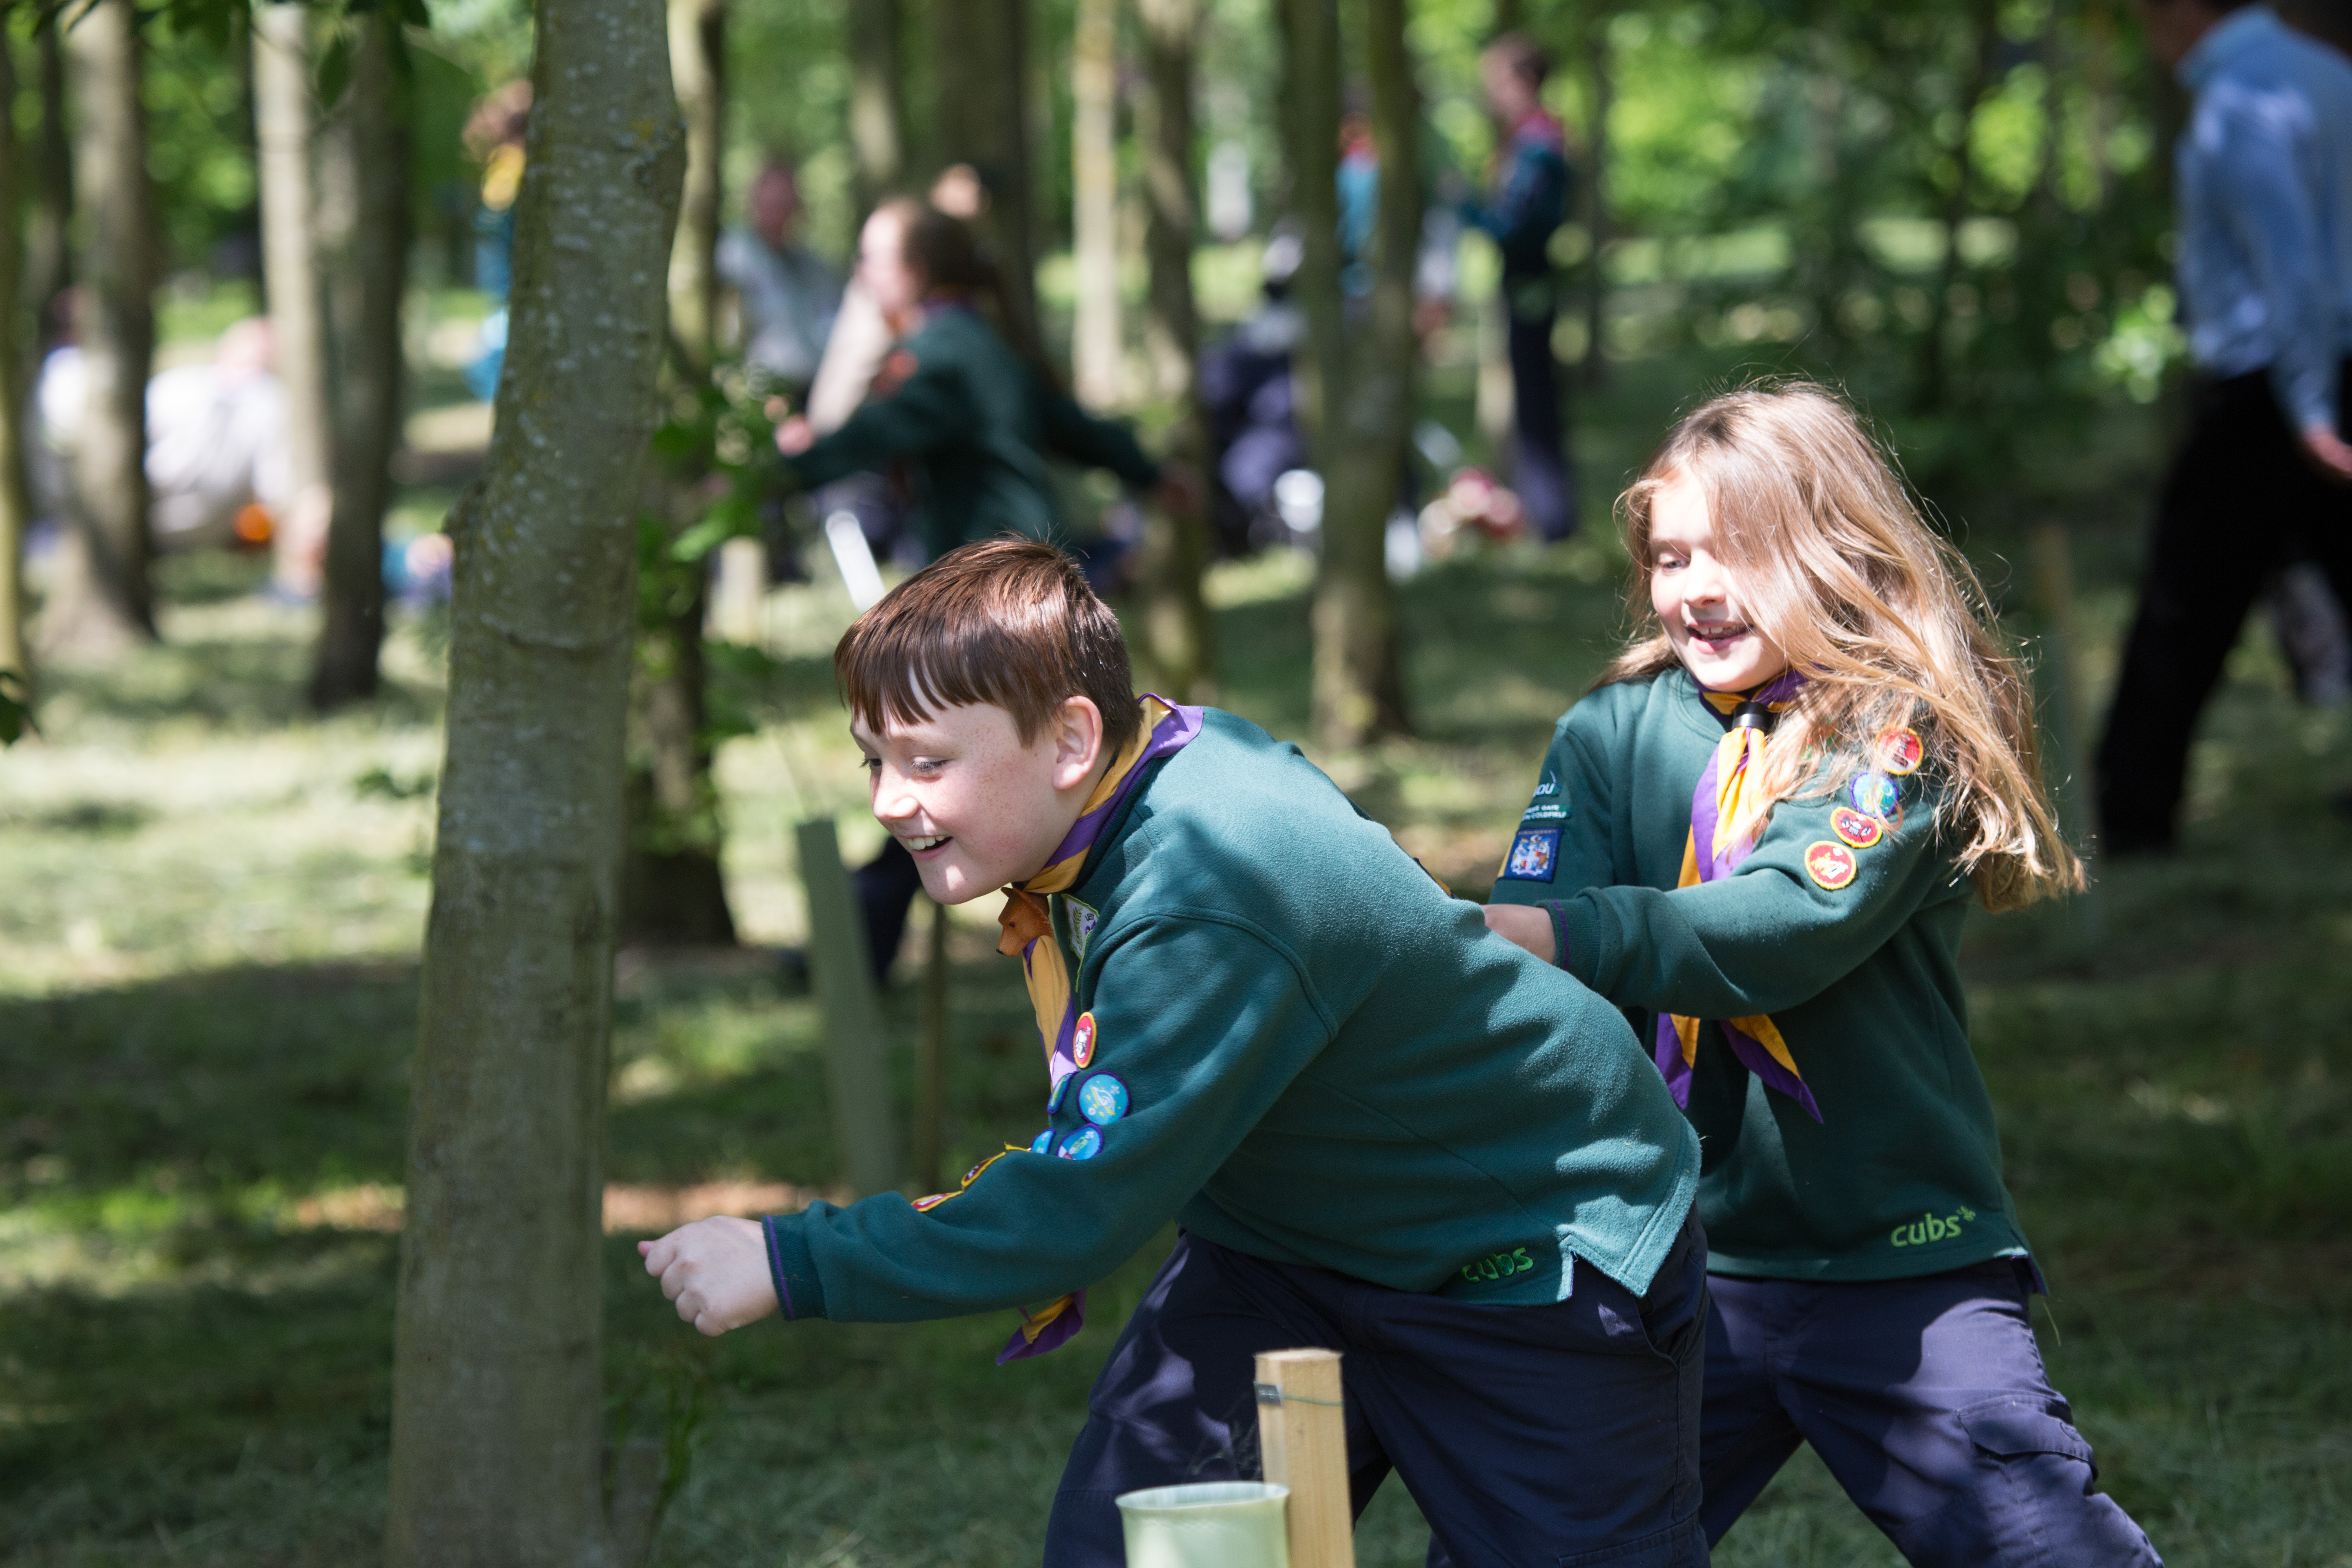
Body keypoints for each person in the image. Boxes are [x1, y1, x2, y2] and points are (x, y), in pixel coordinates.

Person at [641, 539, 1712, 1567]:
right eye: (873, 760)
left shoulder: (1207, 892)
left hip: (1527, 1249)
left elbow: (1078, 1204)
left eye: (927, 762)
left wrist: (793, 1260)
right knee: (1133, 1547)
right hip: (1287, 1244)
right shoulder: (1131, 774)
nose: (888, 802)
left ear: (1069, 740)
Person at [1481, 386, 2162, 1566]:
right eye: (1671, 555)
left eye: (1735, 553)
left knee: (2046, 1549)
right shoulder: (1611, 733)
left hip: (1898, 1255)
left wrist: (1553, 936)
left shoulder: (1897, 730)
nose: (1695, 588)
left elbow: (1785, 927)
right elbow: (1534, 953)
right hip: (1669, 1264)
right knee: (1536, 1546)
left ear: (1828, 549)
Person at [2097, 0, 2352, 854]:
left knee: (2186, 599)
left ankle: (2133, 818)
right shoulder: (2326, 72)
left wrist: (2311, 412)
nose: (2146, 32)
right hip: (2321, 372)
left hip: (2277, 390)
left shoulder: (2246, 97)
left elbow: (2294, 270)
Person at [1461, 32, 1577, 542]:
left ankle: (1550, 521)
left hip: (1530, 279)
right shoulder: (1532, 139)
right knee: (1532, 399)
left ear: (1525, 81)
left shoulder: (1537, 145)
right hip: (1527, 280)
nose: (1490, 93)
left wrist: (1464, 207)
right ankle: (1543, 515)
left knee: (1536, 403)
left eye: (1497, 81)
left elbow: (1515, 225)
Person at [716, 159, 842, 397]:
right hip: (755, 395)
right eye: (771, 203)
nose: (778, 212)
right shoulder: (734, 254)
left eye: (785, 203)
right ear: (754, 203)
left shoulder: (813, 266)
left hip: (813, 390)